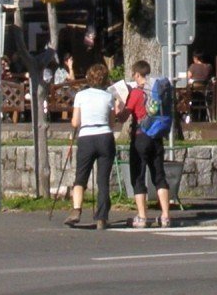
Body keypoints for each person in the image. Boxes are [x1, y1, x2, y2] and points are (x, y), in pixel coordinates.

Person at [65, 65, 120, 230]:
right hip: (104, 136)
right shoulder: (109, 97)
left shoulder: (81, 95)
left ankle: (76, 209)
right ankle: (102, 217)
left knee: (80, 177)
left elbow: (75, 122)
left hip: (86, 137)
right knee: (102, 180)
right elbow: (112, 123)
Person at [122, 60, 176, 229]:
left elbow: (124, 116)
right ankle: (166, 216)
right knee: (159, 175)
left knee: (138, 176)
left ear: (137, 74)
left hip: (140, 137)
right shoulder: (157, 91)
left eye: (134, 74)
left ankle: (142, 217)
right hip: (157, 137)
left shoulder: (136, 93)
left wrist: (118, 106)